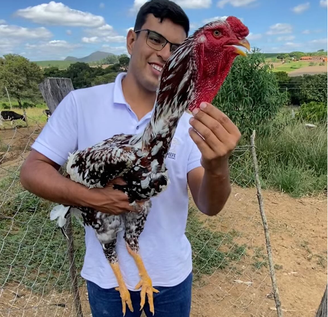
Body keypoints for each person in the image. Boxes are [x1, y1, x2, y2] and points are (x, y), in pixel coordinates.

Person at [20, 0, 241, 316]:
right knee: (112, 231)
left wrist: (218, 166)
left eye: (176, 47)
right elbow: (32, 171)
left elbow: (209, 205)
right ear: (130, 40)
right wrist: (93, 198)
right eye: (155, 39)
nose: (165, 53)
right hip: (108, 284)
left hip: (173, 279)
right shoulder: (80, 104)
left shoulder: (188, 118)